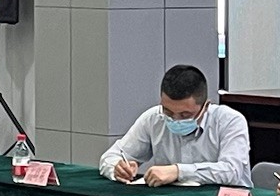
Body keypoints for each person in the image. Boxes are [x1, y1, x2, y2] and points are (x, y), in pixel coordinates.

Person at [100, 65, 250, 187]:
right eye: (168, 112)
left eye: (185, 115)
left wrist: (178, 172)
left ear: (205, 106)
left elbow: (231, 171)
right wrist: (118, 168)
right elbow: (110, 157)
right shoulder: (154, 118)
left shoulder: (230, 121)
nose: (175, 119)